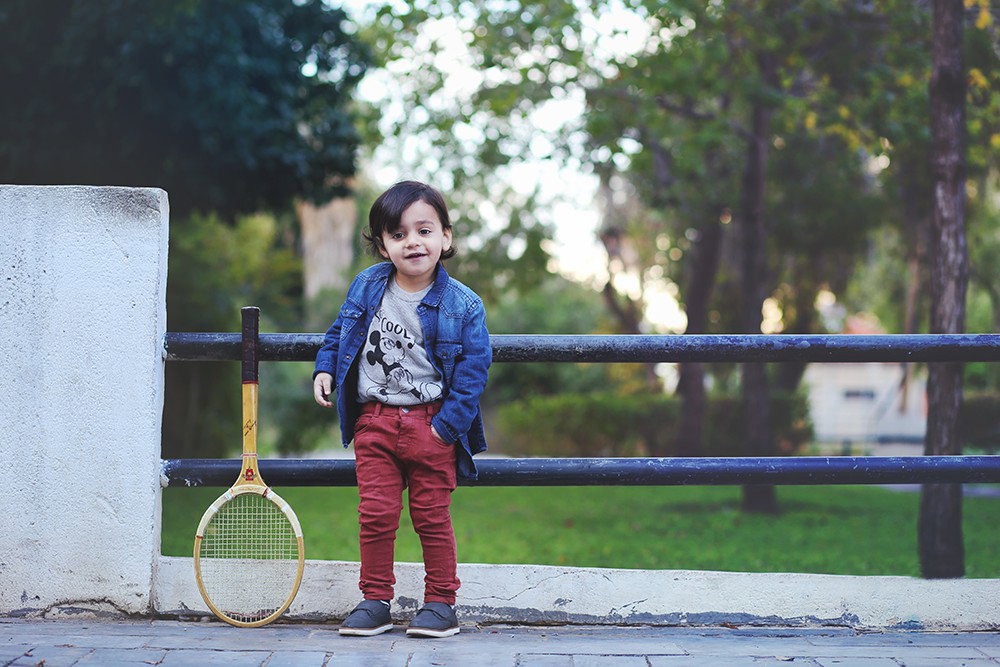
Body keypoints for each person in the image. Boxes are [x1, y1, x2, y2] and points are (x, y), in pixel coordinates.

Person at [312, 180, 491, 638]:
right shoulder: (368, 286)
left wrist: (445, 431)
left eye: (424, 230)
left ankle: (440, 604)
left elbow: (472, 374)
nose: (413, 241)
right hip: (374, 420)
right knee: (375, 512)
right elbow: (339, 333)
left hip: (430, 423)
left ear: (445, 237)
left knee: (432, 516)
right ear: (382, 245)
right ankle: (375, 600)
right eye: (398, 234)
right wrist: (324, 368)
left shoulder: (464, 305)